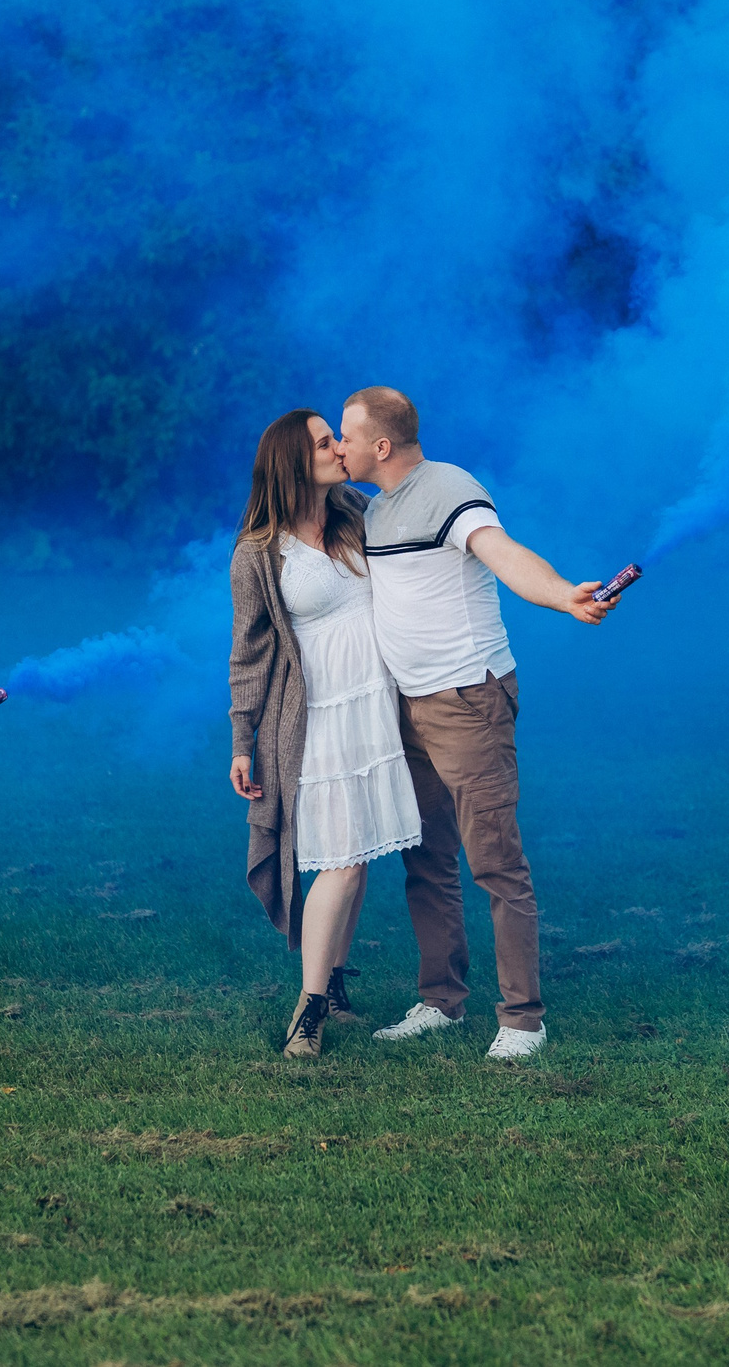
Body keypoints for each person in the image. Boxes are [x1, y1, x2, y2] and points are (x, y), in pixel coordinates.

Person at [336, 385, 614, 1060]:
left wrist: (560, 595)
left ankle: (523, 1021)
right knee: (426, 860)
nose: (338, 448)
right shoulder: (373, 510)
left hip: (468, 703)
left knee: (495, 861)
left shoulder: (448, 487)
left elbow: (503, 550)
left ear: (381, 445)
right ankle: (441, 1001)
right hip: (408, 707)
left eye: (345, 435)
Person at [229, 410, 424, 1058]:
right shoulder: (259, 552)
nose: (339, 448)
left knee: (360, 852)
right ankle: (306, 1013)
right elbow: (249, 653)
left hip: (375, 701)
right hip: (319, 717)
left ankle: (334, 983)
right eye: (323, 443)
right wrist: (241, 739)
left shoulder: (355, 511)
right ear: (291, 461)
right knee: (339, 860)